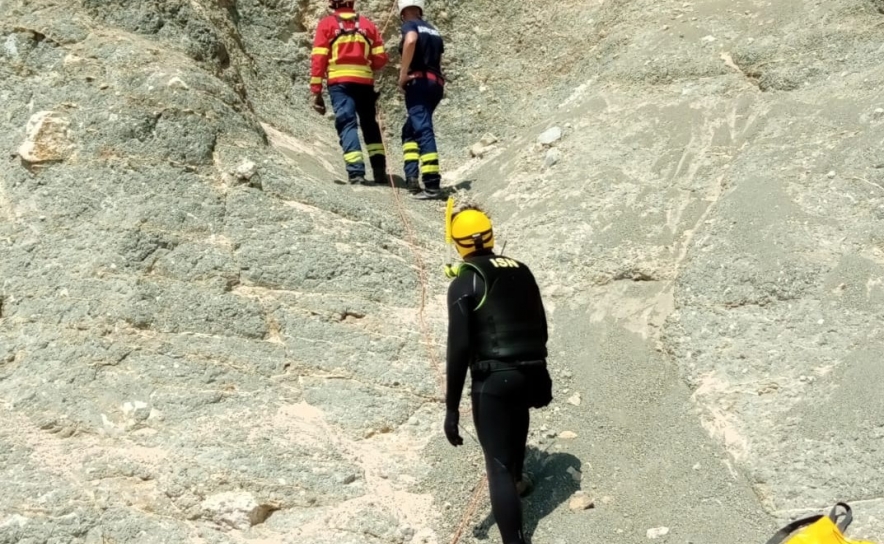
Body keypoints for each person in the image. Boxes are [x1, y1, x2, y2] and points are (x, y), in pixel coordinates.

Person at [442, 201, 554, 544]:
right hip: (532, 373)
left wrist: (451, 408)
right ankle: (520, 482)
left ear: (457, 242)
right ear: (491, 236)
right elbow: (542, 328)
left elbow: (458, 348)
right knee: (516, 430)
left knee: (498, 466)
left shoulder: (465, 282)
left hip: (494, 379)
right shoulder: (522, 268)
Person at [310, 0, 389, 185]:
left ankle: (356, 173)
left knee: (347, 124)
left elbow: (318, 60)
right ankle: (380, 172)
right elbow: (380, 59)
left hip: (340, 83)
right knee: (370, 125)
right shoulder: (368, 25)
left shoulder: (327, 25)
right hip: (365, 83)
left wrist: (316, 91)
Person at [397, 0, 445, 199]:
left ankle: (432, 183)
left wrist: (403, 74)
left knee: (423, 128)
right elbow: (439, 60)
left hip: (419, 83)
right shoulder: (433, 30)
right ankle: (411, 178)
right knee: (410, 130)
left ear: (402, 11)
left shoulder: (410, 25)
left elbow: (410, 41)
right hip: (436, 85)